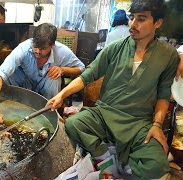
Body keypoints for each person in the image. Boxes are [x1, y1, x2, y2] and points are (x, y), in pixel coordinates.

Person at [47, 0, 179, 179]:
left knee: (158, 167)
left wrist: (156, 125)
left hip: (138, 122)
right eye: (131, 18)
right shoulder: (115, 48)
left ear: (157, 23)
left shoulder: (168, 55)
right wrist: (61, 94)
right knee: (73, 124)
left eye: (141, 19)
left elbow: (164, 94)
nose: (133, 24)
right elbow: (87, 75)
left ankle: (121, 162)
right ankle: (107, 159)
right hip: (105, 114)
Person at [0, 23, 85, 122]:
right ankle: (9, 111)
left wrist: (62, 69)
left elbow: (81, 68)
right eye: (35, 46)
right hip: (25, 81)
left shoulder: (62, 51)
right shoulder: (23, 48)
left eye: (43, 49)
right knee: (9, 76)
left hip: (46, 84)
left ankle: (48, 115)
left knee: (54, 77)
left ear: (52, 45)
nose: (37, 51)